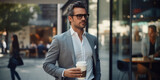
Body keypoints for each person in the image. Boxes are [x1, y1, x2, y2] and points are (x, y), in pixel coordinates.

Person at [43, 1, 101, 80]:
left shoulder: (93, 39)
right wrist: (64, 72)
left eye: (85, 15)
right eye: (79, 16)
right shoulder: (59, 40)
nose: (83, 18)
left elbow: (96, 62)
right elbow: (47, 64)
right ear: (70, 18)